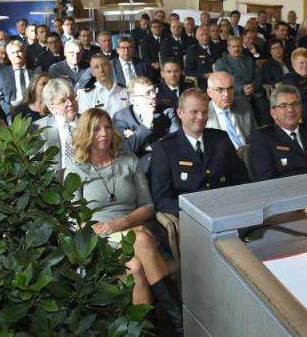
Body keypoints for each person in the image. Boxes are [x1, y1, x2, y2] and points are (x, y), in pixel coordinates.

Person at [64, 108, 182, 334]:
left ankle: (148, 331)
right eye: (96, 128)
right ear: (85, 133)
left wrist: (122, 223)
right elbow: (72, 219)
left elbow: (148, 206)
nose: (103, 133)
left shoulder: (128, 161)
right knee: (142, 241)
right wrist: (105, 229)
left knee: (137, 267)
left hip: (132, 227)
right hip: (100, 238)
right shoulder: (76, 170)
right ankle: (180, 323)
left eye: (107, 127)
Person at [149, 88, 249, 216]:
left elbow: (241, 180)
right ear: (180, 113)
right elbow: (162, 199)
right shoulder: (165, 148)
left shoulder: (221, 139)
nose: (201, 117)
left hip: (228, 210)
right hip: (191, 217)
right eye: (194, 112)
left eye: (204, 112)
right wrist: (194, 213)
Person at [248, 85, 307, 181]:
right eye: (283, 106)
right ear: (273, 113)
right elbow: (266, 181)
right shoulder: (262, 138)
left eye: (295, 104)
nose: (291, 110)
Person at [112, 76, 178, 173]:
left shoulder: (167, 111)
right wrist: (146, 125)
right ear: (133, 100)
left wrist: (139, 140)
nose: (153, 96)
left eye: (153, 91)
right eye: (147, 93)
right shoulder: (121, 117)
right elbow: (125, 149)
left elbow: (177, 140)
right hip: (138, 168)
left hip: (166, 163)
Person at [214, 36, 269, 125]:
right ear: (228, 48)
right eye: (233, 46)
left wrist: (253, 86)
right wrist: (241, 89)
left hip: (254, 92)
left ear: (242, 47)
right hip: (236, 95)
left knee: (265, 111)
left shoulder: (249, 59)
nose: (236, 49)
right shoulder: (221, 62)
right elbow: (223, 83)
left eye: (239, 46)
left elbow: (258, 77)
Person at [32, 78, 79, 173]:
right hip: (55, 183)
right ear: (51, 108)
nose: (70, 103)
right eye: (63, 101)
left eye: (71, 98)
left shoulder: (90, 122)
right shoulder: (39, 129)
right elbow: (36, 166)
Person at [0, 40, 39, 116]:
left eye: (19, 51)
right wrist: (9, 111)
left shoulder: (36, 70)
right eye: (13, 53)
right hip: (13, 111)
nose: (16, 55)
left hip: (34, 107)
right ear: (9, 56)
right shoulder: (2, 74)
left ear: (24, 53)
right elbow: (1, 97)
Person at [184, 25, 217, 90]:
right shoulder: (193, 50)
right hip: (202, 82)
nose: (205, 37)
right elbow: (187, 71)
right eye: (202, 35)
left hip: (217, 79)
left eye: (207, 34)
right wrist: (203, 75)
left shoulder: (216, 47)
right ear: (197, 37)